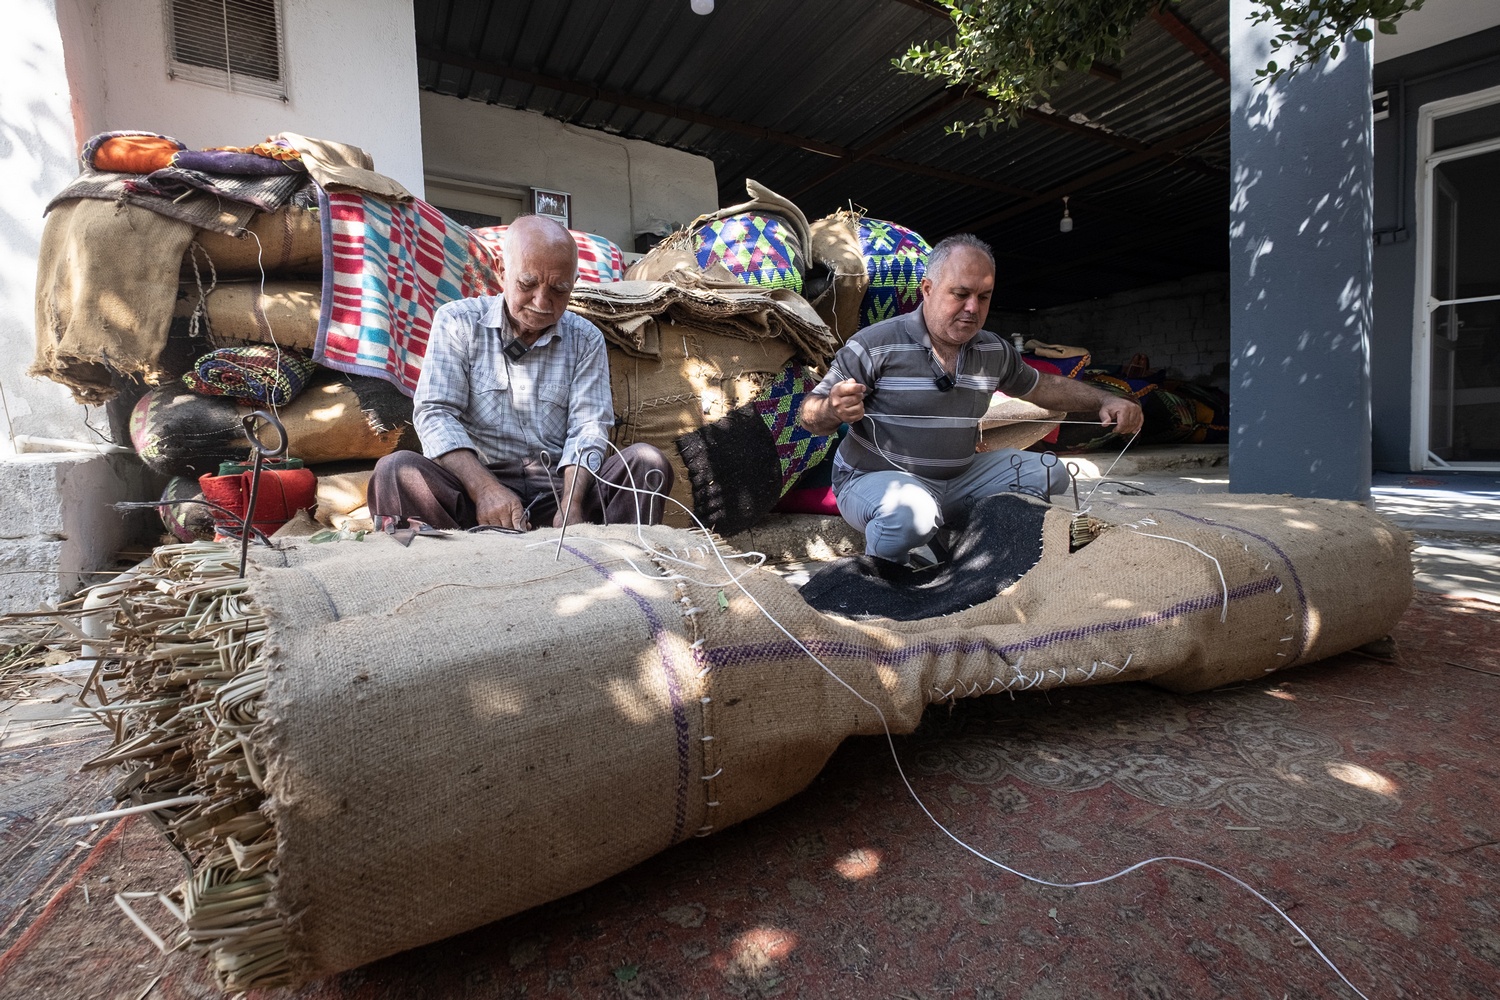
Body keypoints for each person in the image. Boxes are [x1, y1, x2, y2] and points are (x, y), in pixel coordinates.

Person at [798, 233, 1143, 565]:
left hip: (959, 477)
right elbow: (809, 415)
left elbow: (1041, 387)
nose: (972, 308)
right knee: (911, 515)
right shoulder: (874, 344)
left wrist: (1104, 400)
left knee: (1050, 473)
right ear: (928, 290)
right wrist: (832, 408)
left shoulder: (994, 350)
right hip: (874, 477)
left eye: (984, 296)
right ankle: (885, 577)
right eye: (960, 293)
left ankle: (963, 544)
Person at [368, 215, 673, 532]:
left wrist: (572, 506)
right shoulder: (457, 322)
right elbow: (435, 414)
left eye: (559, 289)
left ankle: (614, 567)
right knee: (395, 470)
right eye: (527, 284)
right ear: (501, 272)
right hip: (476, 488)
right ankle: (445, 571)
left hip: (559, 489)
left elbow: (588, 428)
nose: (542, 302)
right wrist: (486, 490)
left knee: (646, 463)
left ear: (574, 281)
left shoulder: (585, 338)